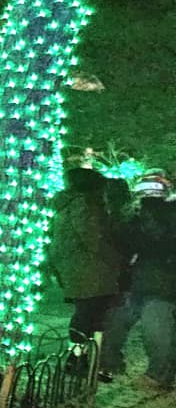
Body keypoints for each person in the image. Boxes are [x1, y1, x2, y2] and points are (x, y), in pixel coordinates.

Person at [101, 176, 175, 389]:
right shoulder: (145, 218)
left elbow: (127, 244)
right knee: (150, 326)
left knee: (155, 327)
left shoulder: (140, 219)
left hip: (154, 283)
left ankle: (157, 375)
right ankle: (115, 363)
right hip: (151, 282)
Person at [47, 167, 125, 343]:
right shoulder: (84, 205)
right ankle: (79, 358)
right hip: (89, 268)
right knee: (89, 313)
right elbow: (94, 239)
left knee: (87, 311)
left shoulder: (66, 205)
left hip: (76, 266)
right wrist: (116, 261)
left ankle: (83, 357)